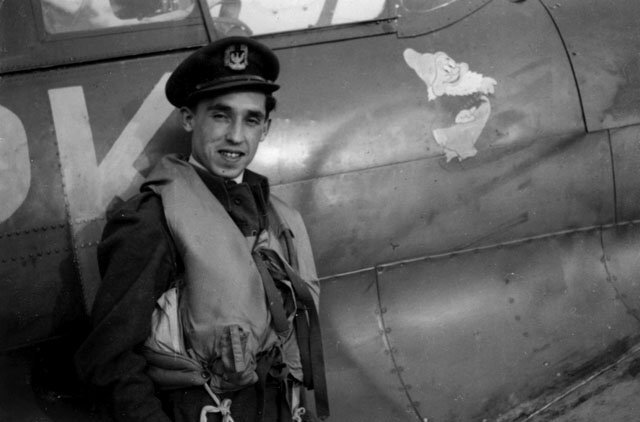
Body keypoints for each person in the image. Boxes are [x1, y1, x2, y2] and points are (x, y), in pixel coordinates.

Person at [75, 36, 329, 422]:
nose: (236, 136)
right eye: (221, 115)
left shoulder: (279, 218)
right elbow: (109, 359)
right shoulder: (151, 220)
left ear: (266, 128)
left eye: (251, 119)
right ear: (189, 118)